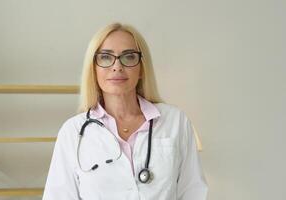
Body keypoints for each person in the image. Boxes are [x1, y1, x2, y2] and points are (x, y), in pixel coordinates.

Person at [42, 22, 208, 200]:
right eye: (105, 57)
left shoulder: (175, 121)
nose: (117, 66)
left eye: (128, 57)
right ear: (93, 69)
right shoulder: (72, 132)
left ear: (142, 68)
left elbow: (193, 191)